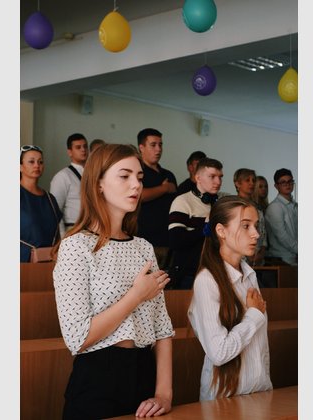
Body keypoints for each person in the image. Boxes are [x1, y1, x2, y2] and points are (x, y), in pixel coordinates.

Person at [53, 144, 175, 419]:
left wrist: (164, 394)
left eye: (139, 177)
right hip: (97, 379)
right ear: (98, 184)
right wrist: (135, 296)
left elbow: (163, 329)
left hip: (144, 374)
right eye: (124, 176)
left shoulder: (144, 248)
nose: (136, 185)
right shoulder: (76, 247)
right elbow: (77, 338)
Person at [187, 195, 272, 401]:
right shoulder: (206, 281)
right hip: (224, 399)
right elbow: (219, 353)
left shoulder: (250, 275)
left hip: (260, 392)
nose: (256, 234)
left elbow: (260, 348)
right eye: (246, 226)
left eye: (256, 226)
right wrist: (253, 315)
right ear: (221, 231)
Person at [168, 158, 223, 289]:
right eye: (212, 176)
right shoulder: (182, 201)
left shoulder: (221, 203)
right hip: (189, 274)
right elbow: (176, 241)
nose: (218, 182)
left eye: (220, 177)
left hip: (216, 271)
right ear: (198, 178)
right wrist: (204, 228)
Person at [136, 128, 178, 268]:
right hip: (144, 239)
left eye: (160, 145)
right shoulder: (138, 172)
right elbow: (139, 196)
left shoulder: (168, 175)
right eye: (153, 145)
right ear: (141, 147)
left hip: (168, 239)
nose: (158, 149)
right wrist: (164, 188)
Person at [20, 145, 63, 262]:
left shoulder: (50, 199)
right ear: (20, 166)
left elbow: (57, 236)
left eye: (40, 162)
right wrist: (28, 254)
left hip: (50, 264)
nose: (37, 165)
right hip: (22, 265)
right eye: (31, 162)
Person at [50, 133, 89, 238]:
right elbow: (55, 211)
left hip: (94, 229)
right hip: (73, 229)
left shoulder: (93, 175)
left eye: (85, 146)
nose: (83, 150)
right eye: (78, 147)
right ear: (70, 152)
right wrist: (62, 237)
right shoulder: (62, 176)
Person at [233, 168, 267, 267]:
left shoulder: (258, 207)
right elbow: (235, 234)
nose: (251, 183)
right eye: (247, 180)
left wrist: (261, 254)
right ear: (237, 183)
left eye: (253, 180)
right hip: (240, 259)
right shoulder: (233, 206)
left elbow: (263, 234)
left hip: (258, 260)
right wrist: (248, 255)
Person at [265, 168, 298, 265]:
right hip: (282, 260)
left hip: (295, 258)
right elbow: (282, 236)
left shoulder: (295, 206)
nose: (287, 184)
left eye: (290, 181)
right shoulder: (275, 207)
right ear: (276, 186)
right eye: (283, 182)